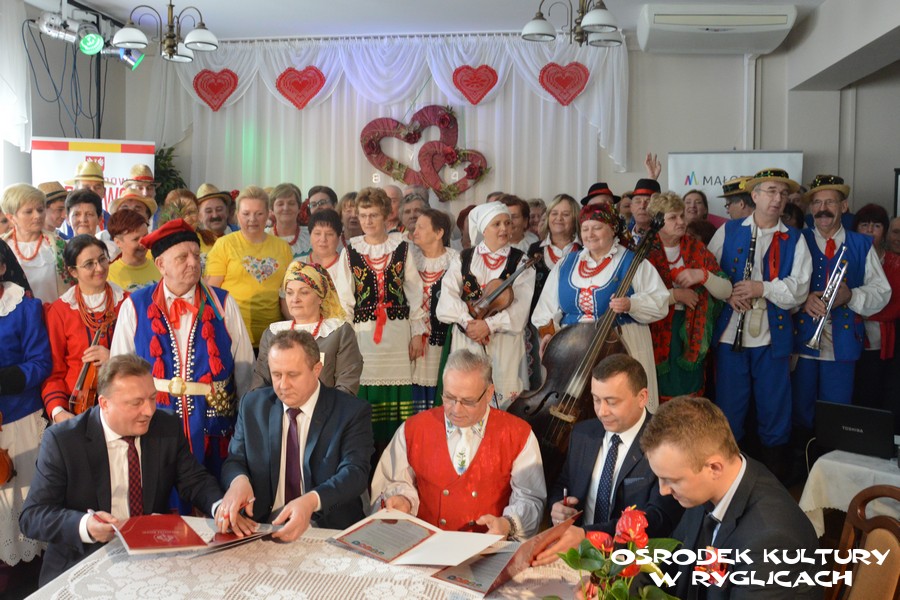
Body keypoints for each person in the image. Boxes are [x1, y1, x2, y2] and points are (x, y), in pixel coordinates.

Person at [19, 354, 223, 586]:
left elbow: (194, 480)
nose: (149, 410)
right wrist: (86, 525)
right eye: (136, 403)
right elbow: (32, 516)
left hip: (151, 558)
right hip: (83, 563)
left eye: (152, 398)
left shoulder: (166, 426)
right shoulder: (63, 441)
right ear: (104, 403)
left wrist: (220, 507)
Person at [110, 219, 254, 507]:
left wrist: (244, 424)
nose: (193, 263)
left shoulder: (223, 302)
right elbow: (119, 372)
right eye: (182, 257)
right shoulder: (134, 305)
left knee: (214, 498)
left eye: (196, 255)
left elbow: (245, 369)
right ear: (160, 264)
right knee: (160, 502)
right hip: (156, 421)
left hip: (213, 423)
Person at [640, 396, 822, 600]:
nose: (663, 490)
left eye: (671, 480)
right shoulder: (709, 484)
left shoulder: (770, 541)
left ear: (714, 468)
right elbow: (678, 565)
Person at [371, 349, 545, 539]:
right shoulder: (413, 429)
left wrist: (507, 524)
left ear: (489, 393)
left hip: (488, 547)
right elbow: (393, 480)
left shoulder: (518, 434)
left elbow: (529, 498)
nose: (456, 409)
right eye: (449, 397)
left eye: (468, 401)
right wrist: (404, 501)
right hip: (426, 544)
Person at [219, 330, 373, 540]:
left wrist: (311, 501)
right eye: (276, 375)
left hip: (328, 529)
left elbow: (355, 473)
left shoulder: (350, 411)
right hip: (262, 526)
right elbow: (235, 460)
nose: (283, 385)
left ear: (316, 369)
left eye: (292, 375)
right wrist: (239, 481)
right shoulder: (253, 406)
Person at [708, 168, 811, 481]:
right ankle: (728, 481)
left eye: (783, 193)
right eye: (771, 191)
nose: (777, 198)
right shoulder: (728, 230)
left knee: (774, 409)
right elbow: (709, 273)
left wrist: (761, 288)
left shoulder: (795, 238)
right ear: (754, 196)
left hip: (772, 338)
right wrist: (727, 294)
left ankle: (774, 483)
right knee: (729, 408)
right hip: (731, 336)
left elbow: (799, 289)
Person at [532, 354, 683, 566]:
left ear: (642, 397)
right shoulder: (583, 433)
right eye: (596, 400)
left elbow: (658, 518)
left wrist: (587, 535)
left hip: (633, 563)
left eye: (612, 402)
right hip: (575, 554)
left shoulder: (665, 444)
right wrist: (558, 505)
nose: (602, 411)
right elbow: (564, 483)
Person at [532, 203, 668, 408]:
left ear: (612, 229)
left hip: (621, 344)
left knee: (621, 402)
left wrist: (632, 304)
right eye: (585, 229)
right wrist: (549, 334)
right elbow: (545, 309)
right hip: (573, 351)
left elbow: (660, 301)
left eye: (597, 228)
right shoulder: (566, 263)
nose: (590, 234)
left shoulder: (633, 262)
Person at [792, 176, 889, 435]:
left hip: (842, 342)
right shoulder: (797, 239)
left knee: (837, 409)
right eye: (817, 203)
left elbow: (882, 292)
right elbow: (783, 284)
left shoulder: (861, 244)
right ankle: (802, 455)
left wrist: (851, 296)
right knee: (800, 406)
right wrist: (803, 299)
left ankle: (830, 454)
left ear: (844, 206)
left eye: (830, 202)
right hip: (802, 339)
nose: (823, 209)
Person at [333, 187, 426, 448]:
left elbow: (415, 292)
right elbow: (344, 300)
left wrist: (417, 333)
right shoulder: (351, 250)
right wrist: (347, 340)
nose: (368, 221)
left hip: (397, 333)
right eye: (363, 215)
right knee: (366, 387)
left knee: (397, 393)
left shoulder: (402, 248)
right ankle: (367, 452)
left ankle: (396, 450)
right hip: (364, 334)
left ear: (386, 215)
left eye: (373, 215)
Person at [437, 202, 535, 408]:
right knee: (467, 393)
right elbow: (448, 296)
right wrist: (468, 322)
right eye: (496, 224)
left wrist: (489, 325)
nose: (504, 228)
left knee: (504, 398)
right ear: (484, 229)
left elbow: (520, 307)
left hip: (504, 340)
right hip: (468, 337)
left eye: (507, 223)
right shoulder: (463, 257)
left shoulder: (521, 261)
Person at [645, 192, 731, 402]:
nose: (681, 222)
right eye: (673, 217)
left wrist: (703, 275)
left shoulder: (696, 248)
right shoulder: (644, 251)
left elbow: (726, 290)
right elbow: (636, 299)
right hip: (654, 330)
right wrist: (675, 296)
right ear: (657, 221)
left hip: (692, 332)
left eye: (682, 215)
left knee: (689, 396)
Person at [0, 242, 51, 576]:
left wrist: (6, 379)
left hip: (19, 417)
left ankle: (26, 573)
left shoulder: (24, 307)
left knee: (20, 499)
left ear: (3, 267)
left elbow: (41, 362)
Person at [43, 235, 128, 423]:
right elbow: (54, 370)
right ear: (73, 271)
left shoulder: (127, 303)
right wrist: (58, 411)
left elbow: (145, 357)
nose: (99, 268)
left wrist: (114, 358)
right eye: (89, 264)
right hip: (75, 409)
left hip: (123, 402)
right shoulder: (60, 311)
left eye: (102, 259)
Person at [252, 261, 362, 394]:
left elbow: (347, 384)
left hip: (326, 406)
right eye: (289, 293)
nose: (295, 299)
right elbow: (260, 384)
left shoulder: (339, 332)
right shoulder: (272, 334)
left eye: (304, 292)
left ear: (320, 297)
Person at [206, 185, 293, 347]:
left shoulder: (283, 248)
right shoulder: (224, 245)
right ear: (237, 215)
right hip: (232, 336)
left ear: (268, 214)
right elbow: (212, 293)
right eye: (246, 214)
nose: (252, 219)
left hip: (273, 338)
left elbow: (287, 294)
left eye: (259, 214)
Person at [852, 204, 900, 414]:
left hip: (882, 343)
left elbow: (895, 305)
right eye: (864, 224)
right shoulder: (848, 257)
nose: (870, 230)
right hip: (849, 339)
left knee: (876, 394)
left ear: (885, 231)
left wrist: (856, 306)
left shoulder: (895, 263)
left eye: (877, 226)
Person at [411, 209, 458, 411]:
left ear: (439, 233)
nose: (415, 232)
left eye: (421, 227)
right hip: (414, 339)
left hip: (444, 338)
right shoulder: (410, 259)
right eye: (415, 227)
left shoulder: (456, 260)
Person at [1, 184, 70, 303]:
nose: (37, 216)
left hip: (53, 313)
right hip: (14, 314)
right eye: (29, 212)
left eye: (40, 210)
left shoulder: (59, 245)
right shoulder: (3, 247)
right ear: (11, 217)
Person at [527, 193, 581, 312]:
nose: (559, 218)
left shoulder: (584, 250)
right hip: (538, 318)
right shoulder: (534, 249)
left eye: (565, 214)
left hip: (573, 318)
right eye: (554, 213)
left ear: (575, 219)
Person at [106, 209, 160, 292]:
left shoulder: (161, 267)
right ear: (118, 242)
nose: (143, 243)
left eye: (145, 236)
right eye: (136, 239)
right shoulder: (108, 276)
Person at [100, 191, 157, 260]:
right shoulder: (103, 248)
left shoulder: (157, 252)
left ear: (148, 217)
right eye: (125, 209)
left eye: (137, 209)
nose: (131, 213)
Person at [298, 208, 344, 284]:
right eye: (317, 233)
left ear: (339, 238)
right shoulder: (297, 265)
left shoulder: (345, 267)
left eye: (329, 234)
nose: (323, 239)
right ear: (310, 235)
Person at [266, 183, 310, 260]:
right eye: (280, 204)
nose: (286, 208)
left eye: (291, 203)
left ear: (299, 208)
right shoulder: (262, 237)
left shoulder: (311, 236)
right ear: (272, 210)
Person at [629, 178, 662, 244]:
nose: (642, 206)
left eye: (648, 201)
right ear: (631, 207)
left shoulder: (666, 238)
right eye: (638, 201)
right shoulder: (621, 238)